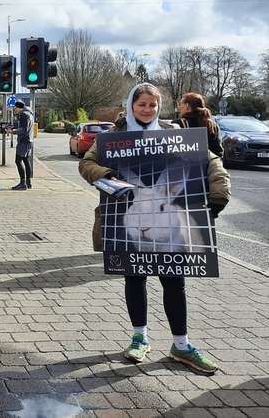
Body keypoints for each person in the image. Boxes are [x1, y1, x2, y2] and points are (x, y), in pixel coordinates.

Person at [79, 83, 230, 374]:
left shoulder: (173, 134)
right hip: (127, 221)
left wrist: (219, 190)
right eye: (141, 105)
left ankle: (182, 345)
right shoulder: (113, 139)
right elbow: (87, 163)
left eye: (152, 105)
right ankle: (139, 337)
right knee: (134, 278)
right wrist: (105, 174)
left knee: (174, 282)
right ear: (131, 106)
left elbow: (210, 160)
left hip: (169, 228)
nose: (147, 110)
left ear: (159, 107)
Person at [176, 93, 224, 157]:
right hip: (209, 164)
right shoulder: (212, 125)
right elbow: (218, 150)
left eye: (181, 104)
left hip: (187, 165)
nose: (179, 107)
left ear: (187, 106)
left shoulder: (178, 124)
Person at [10, 100, 34, 190]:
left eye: (15, 108)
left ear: (18, 107)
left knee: (18, 161)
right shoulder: (30, 114)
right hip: (29, 140)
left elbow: (24, 129)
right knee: (26, 161)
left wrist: (13, 131)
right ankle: (28, 183)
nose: (14, 110)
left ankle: (22, 183)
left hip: (24, 141)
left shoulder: (24, 114)